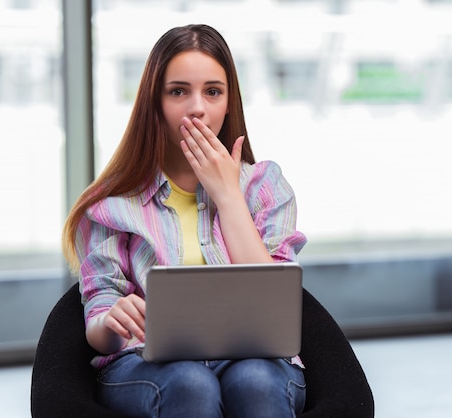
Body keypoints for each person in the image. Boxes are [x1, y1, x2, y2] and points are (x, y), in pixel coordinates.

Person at [62, 24, 307, 418]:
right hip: (146, 363)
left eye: (213, 91)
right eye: (178, 91)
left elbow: (275, 305)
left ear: (229, 102)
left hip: (255, 359)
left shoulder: (265, 186)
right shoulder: (111, 203)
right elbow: (97, 324)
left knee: (256, 382)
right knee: (191, 382)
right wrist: (112, 320)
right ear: (154, 103)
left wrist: (228, 196)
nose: (197, 108)